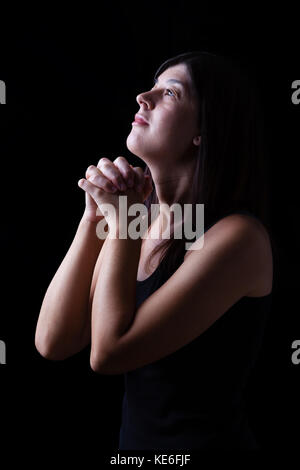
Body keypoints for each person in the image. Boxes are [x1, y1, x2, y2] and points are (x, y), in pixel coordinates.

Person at [35, 51, 276, 450]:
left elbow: (108, 354)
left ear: (205, 130)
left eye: (170, 93)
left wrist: (123, 219)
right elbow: (54, 341)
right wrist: (94, 219)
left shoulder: (238, 238)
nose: (143, 97)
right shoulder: (140, 216)